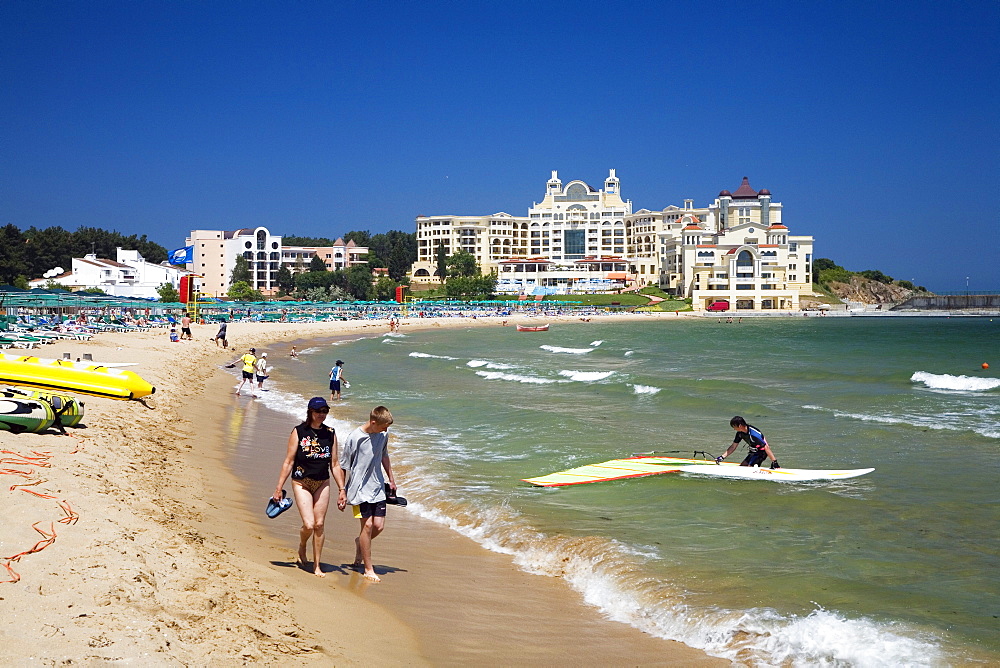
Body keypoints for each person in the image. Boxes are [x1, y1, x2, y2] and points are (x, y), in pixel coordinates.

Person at [273, 397, 346, 577]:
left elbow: (335, 464)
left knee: (319, 524)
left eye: (325, 411)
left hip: (322, 482)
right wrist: (278, 487)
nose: (322, 415)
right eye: (318, 411)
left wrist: (342, 489)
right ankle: (303, 545)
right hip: (301, 481)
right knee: (309, 524)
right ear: (310, 412)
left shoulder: (330, 433)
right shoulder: (299, 432)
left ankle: (317, 566)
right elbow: (289, 461)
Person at [340, 406, 396, 582]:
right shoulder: (355, 437)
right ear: (373, 422)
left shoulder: (383, 435)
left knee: (378, 526)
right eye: (383, 426)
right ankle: (368, 568)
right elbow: (343, 465)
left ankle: (361, 542)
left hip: (378, 487)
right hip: (358, 489)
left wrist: (391, 479)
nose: (386, 430)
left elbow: (384, 455)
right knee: (367, 526)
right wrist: (342, 490)